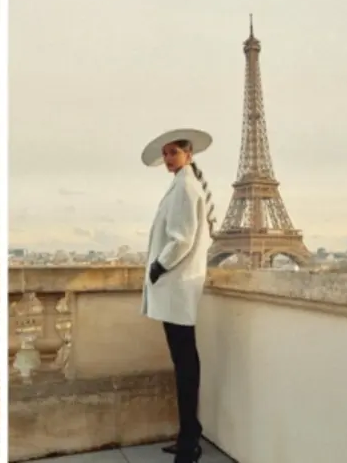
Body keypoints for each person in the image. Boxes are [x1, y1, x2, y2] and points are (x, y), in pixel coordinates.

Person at [139, 129, 217, 463]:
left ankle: (189, 441)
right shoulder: (183, 184)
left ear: (189, 154)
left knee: (184, 363)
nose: (169, 158)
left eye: (174, 152)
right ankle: (189, 432)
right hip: (177, 286)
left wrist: (159, 264)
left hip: (177, 285)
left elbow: (182, 238)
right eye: (166, 153)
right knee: (184, 361)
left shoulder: (185, 187)